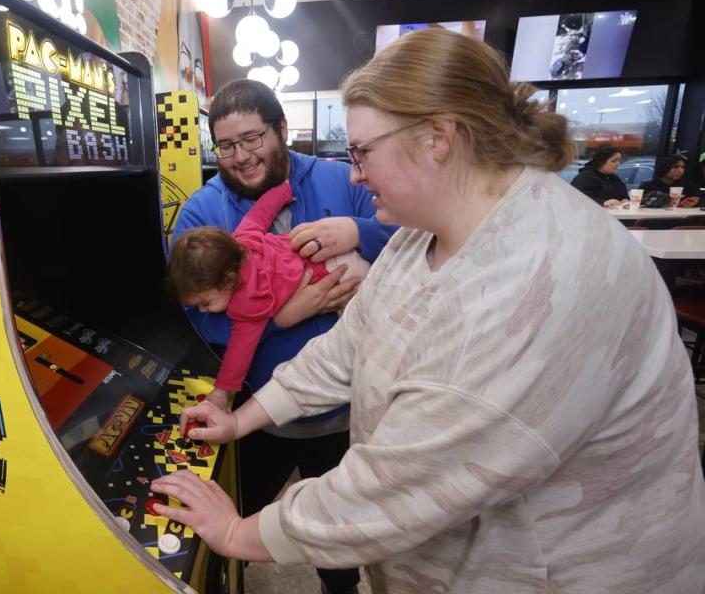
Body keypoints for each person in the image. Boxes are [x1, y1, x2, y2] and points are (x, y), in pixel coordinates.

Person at [153, 29, 705, 593]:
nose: (354, 174)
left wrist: (237, 531)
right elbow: (346, 348)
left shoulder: (539, 279)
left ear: (437, 138)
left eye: (363, 151)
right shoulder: (421, 235)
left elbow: (398, 487)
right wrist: (242, 417)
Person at [171, 78, 397, 594]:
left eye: (252, 139)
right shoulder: (201, 214)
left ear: (281, 129)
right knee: (231, 533)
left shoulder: (345, 180)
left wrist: (360, 232)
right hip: (259, 417)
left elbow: (415, 244)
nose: (240, 157)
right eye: (225, 146)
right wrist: (282, 316)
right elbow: (198, 317)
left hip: (351, 411)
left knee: (338, 548)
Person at [168, 181, 370, 409]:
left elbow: (238, 353)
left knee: (361, 334)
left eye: (206, 302)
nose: (203, 310)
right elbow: (260, 212)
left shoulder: (248, 303)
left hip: (341, 277)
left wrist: (221, 392)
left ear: (229, 280)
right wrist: (283, 190)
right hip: (336, 254)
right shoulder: (244, 240)